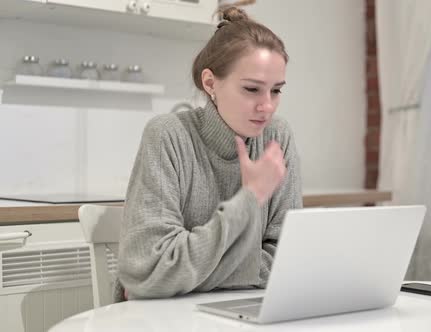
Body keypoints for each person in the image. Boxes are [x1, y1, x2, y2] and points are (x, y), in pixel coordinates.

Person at [116, 6, 302, 300]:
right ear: (210, 83)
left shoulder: (277, 136)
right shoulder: (167, 135)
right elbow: (149, 270)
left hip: (241, 313)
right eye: (252, 89)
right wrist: (249, 198)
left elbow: (289, 261)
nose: (267, 105)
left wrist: (188, 273)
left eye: (276, 90)